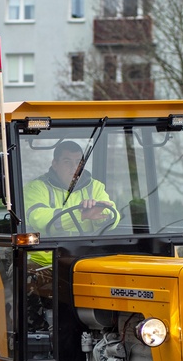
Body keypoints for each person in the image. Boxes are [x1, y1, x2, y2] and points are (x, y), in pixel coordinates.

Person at [23, 140, 119, 330]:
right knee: (27, 278)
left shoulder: (95, 187)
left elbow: (112, 214)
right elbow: (40, 218)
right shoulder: (36, 188)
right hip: (45, 262)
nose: (74, 167)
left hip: (85, 260)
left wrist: (101, 214)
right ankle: (36, 334)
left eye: (78, 162)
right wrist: (81, 214)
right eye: (67, 162)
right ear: (55, 164)